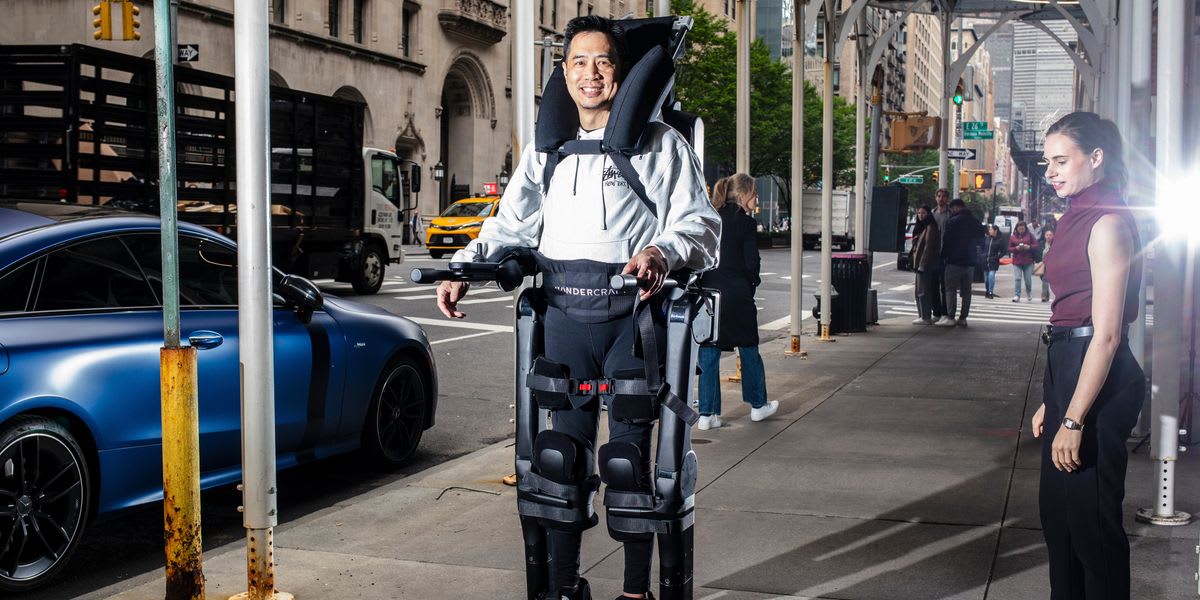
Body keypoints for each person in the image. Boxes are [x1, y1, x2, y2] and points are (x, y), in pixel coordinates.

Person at [435, 16, 720, 600]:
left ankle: (637, 593)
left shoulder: (662, 144)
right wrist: (464, 267)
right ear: (562, 73)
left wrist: (662, 251)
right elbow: (510, 224)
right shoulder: (548, 153)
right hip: (563, 320)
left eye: (603, 62)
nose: (590, 74)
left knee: (630, 468)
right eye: (578, 62)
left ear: (622, 71)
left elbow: (701, 226)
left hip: (631, 324)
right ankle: (563, 589)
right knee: (558, 463)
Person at [1032, 111, 1143, 600]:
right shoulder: (1076, 215)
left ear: (1096, 158)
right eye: (1046, 162)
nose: (1051, 171)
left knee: (1092, 529)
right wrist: (1054, 402)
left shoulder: (1108, 222)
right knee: (1059, 523)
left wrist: (1073, 418)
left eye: (1061, 160)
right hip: (1069, 368)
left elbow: (1107, 335)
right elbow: (1068, 321)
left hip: (1096, 374)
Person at [696, 174, 778, 430]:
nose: (756, 199)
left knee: (708, 351)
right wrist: (751, 283)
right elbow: (752, 263)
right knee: (749, 348)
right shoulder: (745, 223)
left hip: (709, 293)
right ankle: (757, 405)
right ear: (742, 195)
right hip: (737, 294)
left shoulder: (709, 218)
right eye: (754, 194)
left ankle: (707, 414)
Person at [935, 198, 985, 327]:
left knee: (950, 289)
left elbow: (947, 242)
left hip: (954, 261)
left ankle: (950, 316)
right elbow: (981, 238)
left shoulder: (952, 221)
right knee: (966, 291)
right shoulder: (974, 221)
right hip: (970, 262)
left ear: (956, 208)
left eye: (952, 209)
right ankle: (963, 318)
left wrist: (943, 257)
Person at [909, 204, 941, 324]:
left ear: (928, 214)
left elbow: (928, 247)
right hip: (919, 263)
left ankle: (925, 316)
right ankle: (922, 315)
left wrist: (922, 264)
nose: (921, 215)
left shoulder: (930, 227)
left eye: (923, 213)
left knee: (923, 291)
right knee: (918, 290)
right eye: (919, 213)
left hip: (926, 265)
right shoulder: (920, 227)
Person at [929, 188, 952, 319]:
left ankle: (944, 312)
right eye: (939, 196)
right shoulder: (932, 214)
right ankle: (936, 312)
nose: (941, 198)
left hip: (946, 254)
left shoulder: (950, 214)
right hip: (933, 254)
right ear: (935, 197)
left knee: (945, 285)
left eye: (943, 196)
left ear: (947, 198)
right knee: (933, 284)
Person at [1008, 221, 1039, 302]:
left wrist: (1029, 247)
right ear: (1016, 228)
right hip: (1017, 261)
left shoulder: (1030, 235)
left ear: (1025, 228)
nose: (1021, 230)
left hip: (1028, 261)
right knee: (1017, 278)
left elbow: (1036, 245)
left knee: (1028, 279)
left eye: (1022, 228)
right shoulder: (1013, 237)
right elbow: (1009, 248)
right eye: (1019, 228)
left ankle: (1029, 292)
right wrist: (1016, 248)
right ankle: (1017, 295)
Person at [983, 224, 1006, 299]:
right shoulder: (986, 238)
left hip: (993, 261)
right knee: (986, 279)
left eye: (991, 229)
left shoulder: (1000, 240)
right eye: (989, 229)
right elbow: (981, 247)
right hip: (985, 261)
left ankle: (990, 292)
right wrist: (981, 255)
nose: (990, 231)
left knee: (991, 276)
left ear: (995, 230)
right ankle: (987, 290)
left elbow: (1003, 251)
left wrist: (996, 257)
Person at [1037, 229, 1055, 302]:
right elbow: (1037, 253)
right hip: (1043, 264)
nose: (1048, 237)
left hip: (1052, 264)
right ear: (1044, 236)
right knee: (1044, 279)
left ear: (1053, 236)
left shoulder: (1056, 244)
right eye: (1047, 235)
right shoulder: (1041, 244)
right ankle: (1046, 296)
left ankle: (1044, 295)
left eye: (1050, 235)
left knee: (1045, 279)